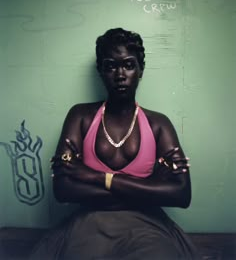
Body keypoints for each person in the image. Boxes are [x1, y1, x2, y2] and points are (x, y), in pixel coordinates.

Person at [30, 28, 198, 259]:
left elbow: (181, 195)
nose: (120, 74)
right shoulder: (81, 116)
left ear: (140, 70)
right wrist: (150, 186)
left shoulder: (158, 123)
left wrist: (95, 177)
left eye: (129, 65)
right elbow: (63, 190)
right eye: (110, 66)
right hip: (89, 223)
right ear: (101, 71)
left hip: (148, 225)